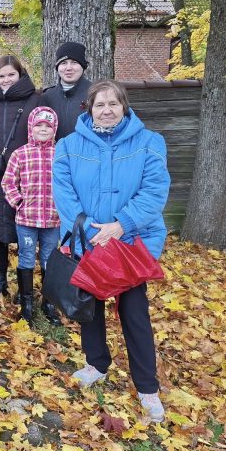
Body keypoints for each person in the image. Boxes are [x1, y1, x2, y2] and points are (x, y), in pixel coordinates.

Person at [53, 80, 170, 422]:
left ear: (124, 106)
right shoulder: (68, 146)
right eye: (99, 104)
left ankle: (147, 388)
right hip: (88, 241)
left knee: (134, 314)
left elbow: (154, 192)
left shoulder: (149, 143)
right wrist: (91, 230)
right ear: (89, 109)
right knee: (89, 309)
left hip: (130, 243)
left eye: (113, 104)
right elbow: (64, 193)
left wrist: (121, 224)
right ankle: (96, 363)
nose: (106, 110)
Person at [0, 55, 40, 304]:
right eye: (1, 76)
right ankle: (0, 279)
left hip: (26, 176)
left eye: (10, 75)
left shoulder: (35, 100)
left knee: (25, 229)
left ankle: (24, 284)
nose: (6, 80)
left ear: (20, 75)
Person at [1, 107, 61, 326]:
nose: (43, 129)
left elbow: (69, 184)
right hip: (27, 219)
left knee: (48, 259)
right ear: (31, 128)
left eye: (48, 126)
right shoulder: (21, 153)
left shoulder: (60, 154)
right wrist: (18, 201)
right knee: (26, 257)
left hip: (53, 219)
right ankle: (27, 304)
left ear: (54, 129)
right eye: (39, 125)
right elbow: (8, 182)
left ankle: (48, 302)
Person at [40, 41, 92, 140]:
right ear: (57, 67)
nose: (68, 68)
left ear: (83, 66)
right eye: (63, 63)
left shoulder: (95, 93)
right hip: (56, 153)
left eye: (74, 62)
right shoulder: (47, 96)